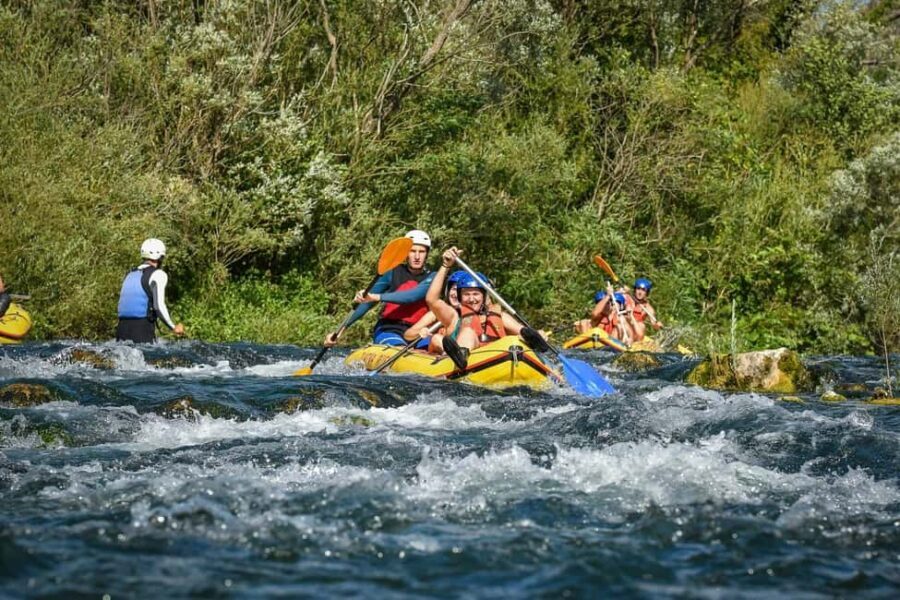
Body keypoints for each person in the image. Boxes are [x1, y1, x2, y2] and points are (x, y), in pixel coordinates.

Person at [323, 229, 436, 348]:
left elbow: (412, 296)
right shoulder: (392, 272)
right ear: (406, 253)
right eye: (412, 251)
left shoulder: (434, 277)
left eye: (421, 252)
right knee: (399, 348)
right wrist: (340, 330)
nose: (417, 256)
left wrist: (376, 297)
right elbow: (366, 303)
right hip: (390, 328)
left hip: (419, 331)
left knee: (435, 347)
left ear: (427, 254)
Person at [425, 247, 527, 369]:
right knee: (467, 332)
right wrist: (445, 266)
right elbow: (431, 300)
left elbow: (521, 331)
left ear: (483, 296)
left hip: (497, 362)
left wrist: (536, 335)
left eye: (476, 294)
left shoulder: (501, 316)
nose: (471, 299)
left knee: (522, 335)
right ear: (460, 297)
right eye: (466, 294)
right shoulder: (454, 317)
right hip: (466, 365)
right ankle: (460, 355)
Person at [116, 238, 185, 343]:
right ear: (160, 257)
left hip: (121, 329)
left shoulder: (129, 274)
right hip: (142, 329)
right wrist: (173, 327)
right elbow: (159, 306)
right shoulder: (158, 274)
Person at [625, 277, 662, 342]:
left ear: (646, 293)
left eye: (643, 290)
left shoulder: (648, 308)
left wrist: (657, 325)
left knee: (642, 325)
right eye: (638, 289)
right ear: (635, 290)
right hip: (624, 325)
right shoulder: (627, 297)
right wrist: (621, 291)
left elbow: (654, 324)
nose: (640, 292)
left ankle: (634, 343)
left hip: (636, 331)